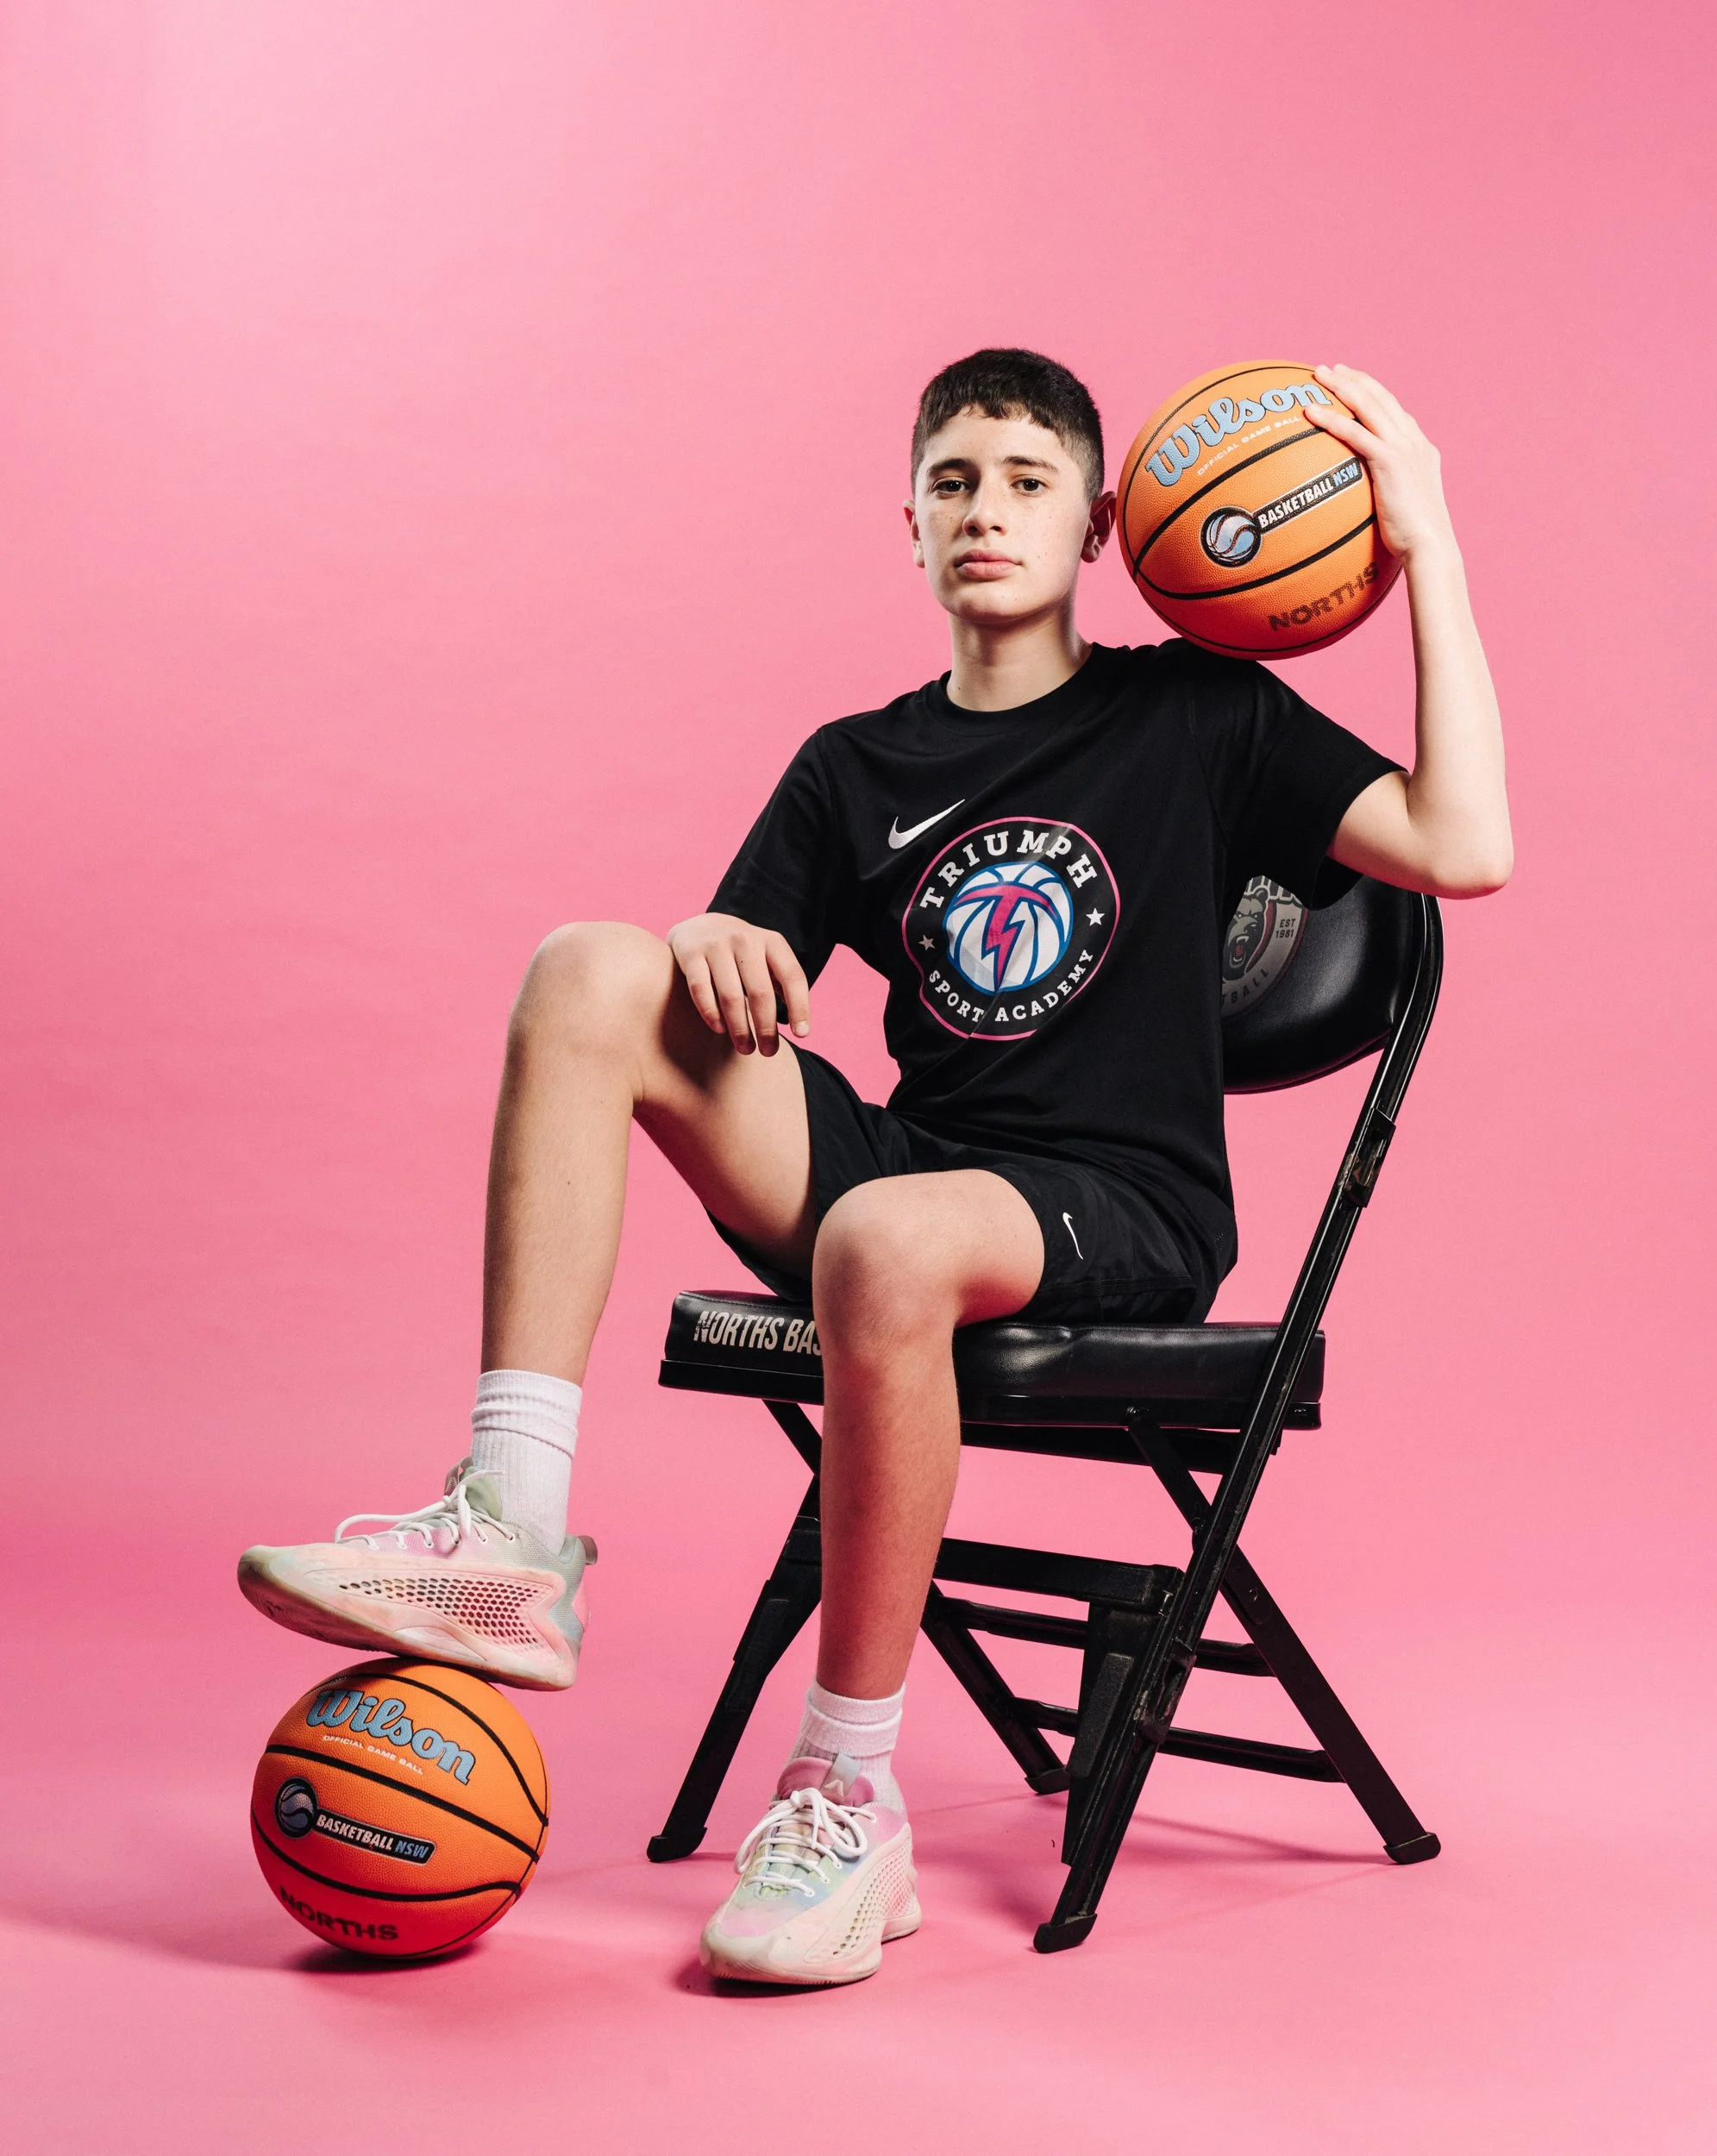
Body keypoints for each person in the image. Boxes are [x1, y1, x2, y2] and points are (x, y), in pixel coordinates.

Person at [239, 350, 1512, 1985]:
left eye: (1029, 481)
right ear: (908, 527)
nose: (988, 510)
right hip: (919, 1167)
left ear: (1103, 524)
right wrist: (710, 940)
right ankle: (513, 1530)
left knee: (885, 1246)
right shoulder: (857, 764)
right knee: (588, 968)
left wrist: (1433, 552)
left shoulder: (1193, 717)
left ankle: (846, 1799)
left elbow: (1464, 848)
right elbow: (739, 982)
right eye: (954, 482)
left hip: (1115, 1201)